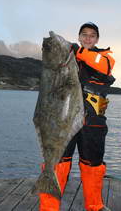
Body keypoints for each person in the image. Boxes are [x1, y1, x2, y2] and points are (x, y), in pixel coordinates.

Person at [39, 22, 115, 211]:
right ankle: (49, 208)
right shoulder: (68, 57)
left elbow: (103, 66)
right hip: (64, 120)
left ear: (97, 39)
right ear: (79, 37)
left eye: (92, 35)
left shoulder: (104, 57)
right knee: (57, 163)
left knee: (93, 166)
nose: (88, 38)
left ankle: (95, 206)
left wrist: (77, 51)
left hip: (93, 123)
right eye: (84, 35)